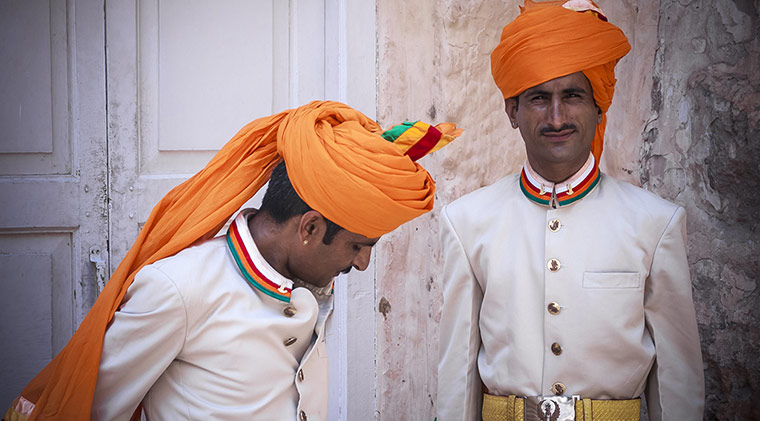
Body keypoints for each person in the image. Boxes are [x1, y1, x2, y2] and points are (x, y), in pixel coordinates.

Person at [5, 101, 461, 420]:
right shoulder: (179, 288)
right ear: (309, 228)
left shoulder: (303, 281)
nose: (362, 265)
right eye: (359, 246)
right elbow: (92, 409)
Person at [436, 1, 704, 420]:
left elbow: (678, 381)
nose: (557, 117)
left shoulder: (655, 223)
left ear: (599, 107)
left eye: (573, 96)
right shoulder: (467, 222)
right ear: (512, 111)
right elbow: (457, 373)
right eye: (539, 98)